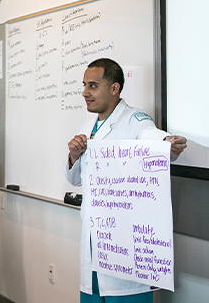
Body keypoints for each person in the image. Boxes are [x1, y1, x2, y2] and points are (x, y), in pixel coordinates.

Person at [64, 58, 187, 303]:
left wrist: (167, 145)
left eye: (93, 86)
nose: (85, 92)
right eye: (84, 85)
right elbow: (75, 179)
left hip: (124, 248)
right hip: (93, 241)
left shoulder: (135, 119)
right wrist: (73, 156)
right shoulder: (88, 126)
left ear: (114, 88)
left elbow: (149, 136)